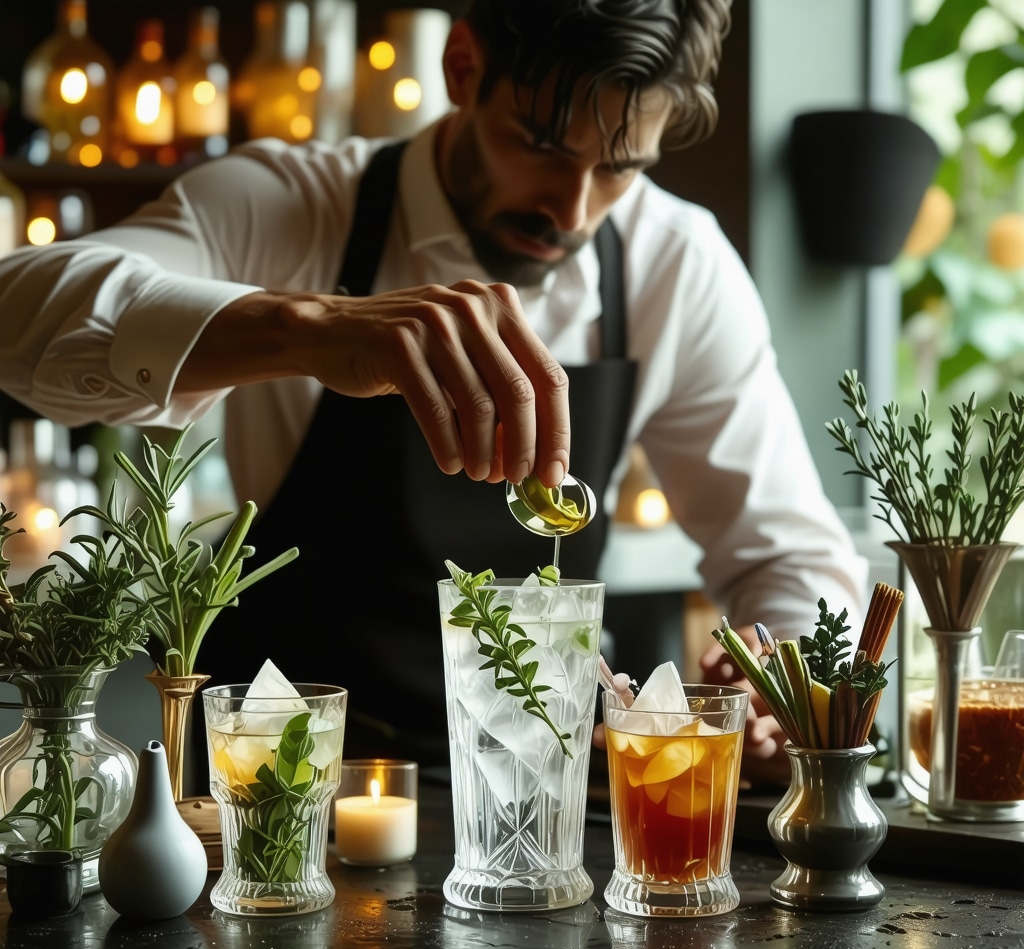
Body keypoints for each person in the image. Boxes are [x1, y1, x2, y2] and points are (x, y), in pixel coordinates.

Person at [0, 0, 867, 782]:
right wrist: (310, 328)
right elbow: (18, 316)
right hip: (288, 797)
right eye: (540, 145)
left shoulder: (675, 262)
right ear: (462, 70)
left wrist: (784, 681)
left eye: (617, 167)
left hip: (546, 805)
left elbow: (786, 553)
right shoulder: (294, 206)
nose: (571, 211)